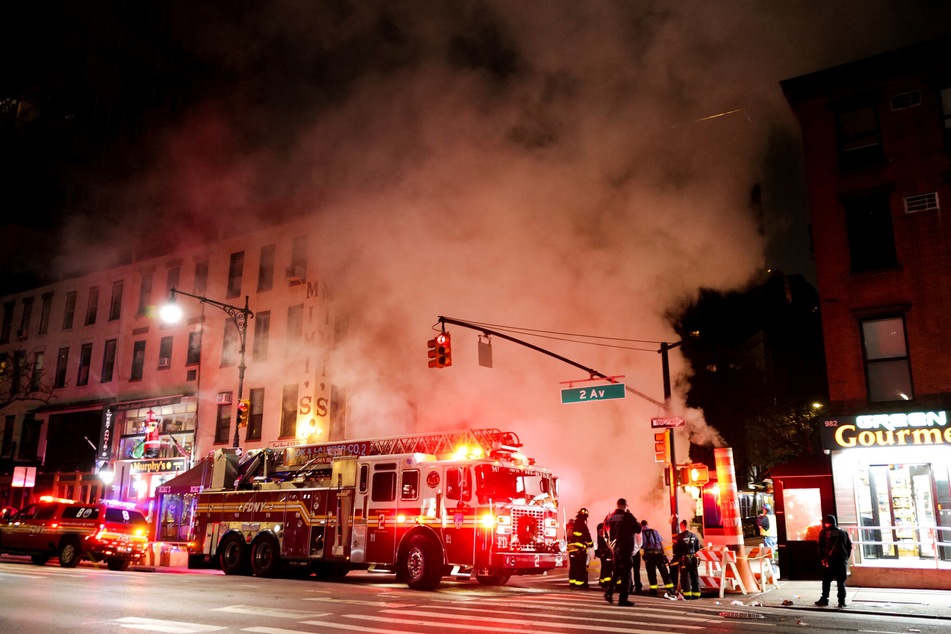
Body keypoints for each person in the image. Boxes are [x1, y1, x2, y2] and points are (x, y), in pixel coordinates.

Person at [603, 498, 640, 606]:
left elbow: (605, 533)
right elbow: (638, 528)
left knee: (617, 572)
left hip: (615, 549)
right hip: (625, 548)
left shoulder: (609, 517)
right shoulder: (628, 516)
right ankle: (623, 599)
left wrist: (610, 546)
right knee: (626, 574)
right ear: (625, 505)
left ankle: (609, 592)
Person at [815, 514, 852, 608]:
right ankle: (841, 601)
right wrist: (845, 558)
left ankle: (824, 599)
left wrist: (822, 558)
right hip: (841, 560)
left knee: (826, 580)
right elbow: (849, 546)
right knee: (841, 581)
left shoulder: (824, 532)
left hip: (829, 560)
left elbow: (820, 547)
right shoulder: (843, 532)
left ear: (826, 523)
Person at [640, 519, 676, 599]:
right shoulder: (654, 531)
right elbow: (661, 543)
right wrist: (664, 554)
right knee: (664, 572)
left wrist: (643, 556)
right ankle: (671, 589)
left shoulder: (641, 533)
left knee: (651, 573)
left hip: (649, 555)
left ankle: (653, 591)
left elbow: (640, 546)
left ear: (641, 526)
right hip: (658, 553)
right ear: (647, 524)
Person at [672, 519, 702, 599]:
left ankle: (687, 594)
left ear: (682, 526)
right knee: (695, 576)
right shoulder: (694, 536)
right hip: (693, 558)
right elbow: (697, 547)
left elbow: (676, 550)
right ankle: (696, 594)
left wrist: (677, 558)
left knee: (685, 577)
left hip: (684, 559)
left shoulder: (679, 537)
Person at [567, 508, 593, 589]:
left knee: (573, 566)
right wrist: (591, 544)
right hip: (579, 549)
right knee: (580, 567)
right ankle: (580, 584)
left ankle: (572, 583)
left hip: (571, 549)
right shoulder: (582, 524)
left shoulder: (572, 524)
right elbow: (587, 536)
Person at [595, 522, 614, 589]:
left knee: (604, 566)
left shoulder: (600, 526)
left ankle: (602, 581)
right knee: (608, 567)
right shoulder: (608, 528)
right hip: (607, 551)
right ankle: (607, 582)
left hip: (601, 551)